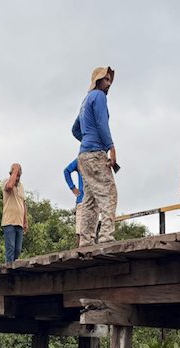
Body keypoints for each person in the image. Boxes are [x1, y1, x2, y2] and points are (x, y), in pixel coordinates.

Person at [72, 66, 117, 246]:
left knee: (90, 200)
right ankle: (106, 236)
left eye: (109, 80)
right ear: (98, 81)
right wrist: (110, 147)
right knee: (109, 192)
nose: (109, 84)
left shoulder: (85, 100)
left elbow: (75, 129)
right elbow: (102, 123)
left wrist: (86, 138)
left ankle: (86, 239)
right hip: (96, 154)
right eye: (106, 80)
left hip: (83, 155)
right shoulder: (98, 96)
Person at [1, 163, 27, 263]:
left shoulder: (21, 186)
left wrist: (25, 221)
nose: (17, 178)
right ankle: (9, 271)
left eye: (19, 175)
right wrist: (15, 171)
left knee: (17, 250)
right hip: (9, 222)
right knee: (10, 249)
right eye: (16, 175)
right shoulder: (5, 182)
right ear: (11, 174)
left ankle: (15, 272)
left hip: (19, 223)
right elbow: (10, 186)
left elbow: (24, 204)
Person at [63, 158, 84, 246]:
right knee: (79, 232)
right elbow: (66, 171)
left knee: (91, 232)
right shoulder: (80, 159)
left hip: (94, 201)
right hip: (82, 200)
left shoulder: (98, 157)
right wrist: (73, 187)